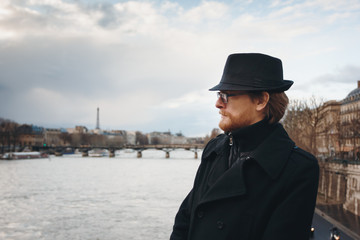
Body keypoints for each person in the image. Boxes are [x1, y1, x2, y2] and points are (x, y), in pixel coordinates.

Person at [170, 53, 319, 240]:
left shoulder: (298, 169)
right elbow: (184, 220)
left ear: (260, 101)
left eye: (226, 96)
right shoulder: (214, 150)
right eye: (219, 95)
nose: (217, 103)